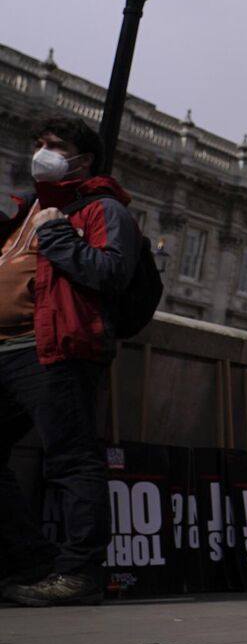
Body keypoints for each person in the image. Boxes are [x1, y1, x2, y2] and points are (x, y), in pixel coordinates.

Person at [0, 117, 139, 607]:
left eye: (55, 146)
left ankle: (79, 573)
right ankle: (31, 564)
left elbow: (112, 273)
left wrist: (58, 236)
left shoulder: (101, 209)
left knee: (71, 461)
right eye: (39, 144)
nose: (43, 152)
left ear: (84, 159)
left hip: (54, 349)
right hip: (7, 348)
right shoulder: (28, 209)